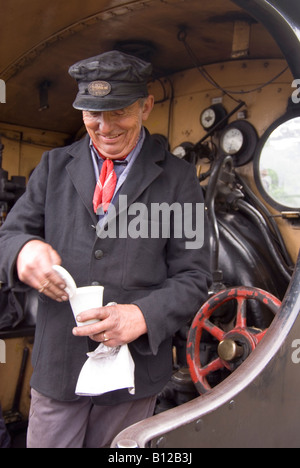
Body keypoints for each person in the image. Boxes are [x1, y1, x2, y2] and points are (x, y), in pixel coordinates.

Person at [0, 51, 211, 448]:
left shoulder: (181, 181)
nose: (105, 126)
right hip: (60, 366)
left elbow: (195, 277)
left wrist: (142, 315)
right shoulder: (52, 166)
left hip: (134, 377)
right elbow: (9, 236)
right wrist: (23, 250)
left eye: (119, 112)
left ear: (146, 106)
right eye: (93, 113)